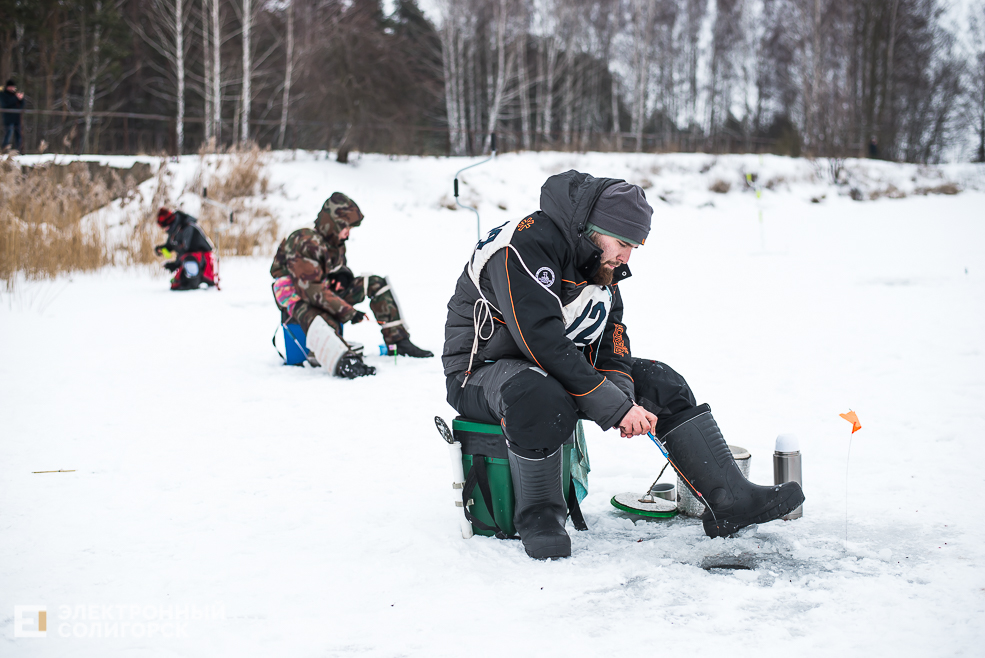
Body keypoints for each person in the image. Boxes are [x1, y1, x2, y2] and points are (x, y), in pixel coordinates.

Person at [442, 171, 804, 559]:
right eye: (623, 243)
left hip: (553, 366)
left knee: (664, 383)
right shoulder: (525, 245)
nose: (626, 256)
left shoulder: (600, 261)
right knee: (538, 392)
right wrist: (614, 408)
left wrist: (625, 396)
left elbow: (612, 335)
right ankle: (541, 519)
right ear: (590, 229)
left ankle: (730, 500)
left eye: (635, 246)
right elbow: (540, 340)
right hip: (480, 373)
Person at [270, 192, 433, 379]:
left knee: (375, 283)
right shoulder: (304, 240)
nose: (348, 232)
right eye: (346, 227)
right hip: (298, 299)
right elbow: (311, 289)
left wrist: (343, 277)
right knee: (321, 320)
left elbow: (338, 268)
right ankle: (345, 360)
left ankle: (398, 341)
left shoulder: (335, 242)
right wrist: (348, 312)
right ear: (334, 223)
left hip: (324, 291)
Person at [154, 208, 219, 290]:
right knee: (177, 284)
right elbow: (171, 245)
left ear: (168, 222)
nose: (164, 230)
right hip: (190, 259)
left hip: (204, 260)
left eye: (164, 227)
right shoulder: (174, 230)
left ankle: (194, 281)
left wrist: (176, 264)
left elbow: (186, 248)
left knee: (189, 260)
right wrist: (160, 249)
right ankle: (187, 279)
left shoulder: (188, 227)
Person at [1, 80, 24, 152]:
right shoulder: (3, 94)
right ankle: (4, 149)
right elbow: (5, 103)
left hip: (17, 118)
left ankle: (19, 150)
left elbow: (21, 105)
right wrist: (17, 98)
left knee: (18, 136)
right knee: (8, 134)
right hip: (8, 118)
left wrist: (20, 99)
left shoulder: (15, 94)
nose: (12, 88)